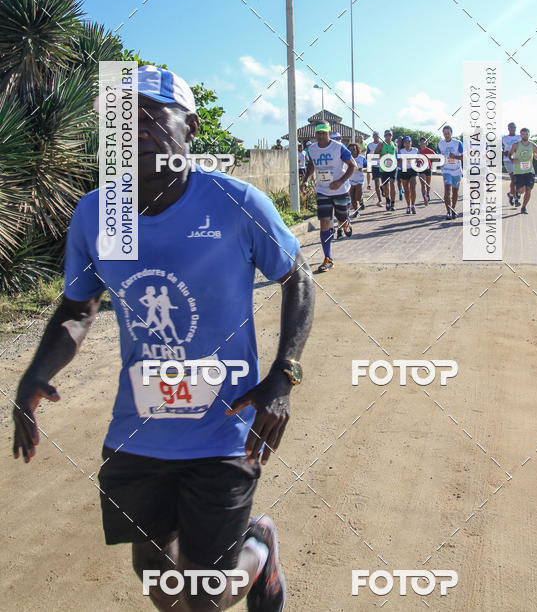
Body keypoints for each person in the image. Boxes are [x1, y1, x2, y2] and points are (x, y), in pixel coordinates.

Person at [13, 65, 314, 612]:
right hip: (138, 431)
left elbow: (298, 277)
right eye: (124, 121)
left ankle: (258, 549)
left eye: (153, 115)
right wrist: (36, 375)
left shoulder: (235, 202)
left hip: (224, 429)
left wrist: (283, 374)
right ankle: (251, 550)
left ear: (191, 128)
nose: (139, 130)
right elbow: (79, 306)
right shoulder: (98, 213)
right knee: (158, 578)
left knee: (206, 594)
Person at [301, 121, 356, 272]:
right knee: (325, 223)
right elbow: (311, 165)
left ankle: (346, 223)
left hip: (340, 190)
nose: (321, 136)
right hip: (323, 191)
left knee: (341, 219)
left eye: (324, 133)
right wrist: (305, 181)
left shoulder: (338, 147)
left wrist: (340, 181)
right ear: (315, 134)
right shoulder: (312, 149)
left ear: (329, 133)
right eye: (319, 133)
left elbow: (353, 166)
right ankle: (328, 258)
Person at [509, 127, 537, 214]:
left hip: (529, 171)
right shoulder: (516, 145)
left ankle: (523, 207)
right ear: (520, 135)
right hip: (519, 171)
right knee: (522, 190)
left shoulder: (533, 145)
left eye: (526, 134)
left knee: (528, 189)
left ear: (529, 134)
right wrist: (513, 160)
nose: (525, 135)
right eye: (523, 134)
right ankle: (517, 193)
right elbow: (510, 155)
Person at [437, 125, 463, 220]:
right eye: (445, 133)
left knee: (455, 191)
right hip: (446, 170)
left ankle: (453, 209)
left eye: (448, 133)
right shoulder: (440, 144)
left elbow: (464, 157)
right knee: (447, 189)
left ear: (451, 133)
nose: (446, 135)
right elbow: (439, 156)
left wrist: (455, 157)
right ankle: (448, 212)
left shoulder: (458, 143)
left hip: (457, 171)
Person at [375, 130, 397, 211]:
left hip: (393, 168)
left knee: (392, 183)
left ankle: (393, 203)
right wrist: (382, 155)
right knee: (385, 186)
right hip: (383, 168)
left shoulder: (394, 144)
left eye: (390, 135)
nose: (388, 137)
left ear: (392, 136)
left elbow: (395, 154)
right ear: (384, 136)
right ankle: (387, 200)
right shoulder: (381, 144)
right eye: (387, 135)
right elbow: (375, 155)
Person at [397, 136, 419, 214]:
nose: (407, 143)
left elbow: (419, 159)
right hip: (404, 170)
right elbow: (397, 162)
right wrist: (403, 159)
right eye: (406, 142)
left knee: (413, 188)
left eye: (409, 142)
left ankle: (413, 205)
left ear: (411, 143)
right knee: (406, 190)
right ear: (404, 143)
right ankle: (408, 206)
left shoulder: (415, 150)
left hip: (413, 170)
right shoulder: (401, 151)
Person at [502, 122, 521, 206]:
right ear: (508, 128)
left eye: (514, 127)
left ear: (516, 128)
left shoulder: (519, 137)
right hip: (508, 160)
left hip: (518, 160)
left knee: (518, 180)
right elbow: (498, 148)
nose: (512, 129)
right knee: (514, 179)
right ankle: (516, 199)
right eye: (511, 127)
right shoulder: (504, 138)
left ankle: (510, 194)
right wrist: (504, 152)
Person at [347, 142, 366, 217]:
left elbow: (368, 168)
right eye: (350, 150)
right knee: (352, 197)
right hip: (350, 180)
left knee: (357, 196)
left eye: (354, 149)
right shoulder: (347, 159)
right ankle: (356, 211)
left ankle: (361, 200)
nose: (352, 151)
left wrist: (363, 169)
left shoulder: (362, 158)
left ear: (357, 150)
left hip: (360, 179)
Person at [418, 137, 435, 205]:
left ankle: (427, 194)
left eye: (424, 142)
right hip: (421, 169)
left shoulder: (429, 150)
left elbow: (436, 157)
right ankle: (425, 197)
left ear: (426, 143)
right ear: (419, 143)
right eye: (421, 142)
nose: (423, 144)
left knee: (428, 184)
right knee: (423, 184)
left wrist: (430, 158)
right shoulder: (417, 151)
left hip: (428, 168)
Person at [366, 131, 382, 202]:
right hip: (374, 165)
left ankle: (383, 189)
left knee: (384, 183)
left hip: (382, 165)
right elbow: (367, 155)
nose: (375, 137)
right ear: (373, 136)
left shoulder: (383, 144)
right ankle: (380, 200)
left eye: (377, 135)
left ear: (379, 136)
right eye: (374, 135)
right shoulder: (369, 145)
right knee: (376, 183)